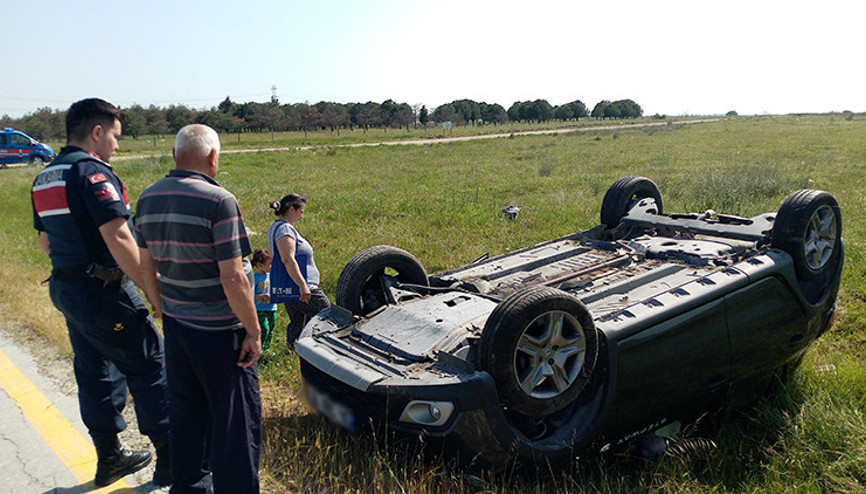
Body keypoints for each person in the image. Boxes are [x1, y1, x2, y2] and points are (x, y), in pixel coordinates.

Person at [30, 98, 171, 487]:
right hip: (103, 290)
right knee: (150, 365)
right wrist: (151, 291)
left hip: (66, 286)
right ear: (96, 132)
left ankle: (109, 457)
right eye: (114, 135)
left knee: (95, 371)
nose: (116, 145)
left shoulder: (45, 176)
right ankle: (172, 456)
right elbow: (120, 238)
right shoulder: (92, 173)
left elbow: (45, 242)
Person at [134, 123, 262, 494]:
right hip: (221, 335)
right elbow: (234, 278)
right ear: (213, 157)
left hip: (177, 327)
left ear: (175, 156)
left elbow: (146, 266)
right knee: (236, 426)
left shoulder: (148, 197)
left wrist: (159, 305)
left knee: (187, 415)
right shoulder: (219, 201)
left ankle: (189, 486)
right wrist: (252, 332)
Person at [267, 193, 331, 349]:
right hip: (303, 286)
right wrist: (303, 285)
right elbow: (287, 259)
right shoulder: (285, 230)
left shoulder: (275, 227)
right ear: (291, 209)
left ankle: (295, 352)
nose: (302, 216)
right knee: (331, 317)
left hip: (290, 284)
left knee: (299, 321)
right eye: (301, 211)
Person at [251, 248, 277, 352]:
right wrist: (260, 297)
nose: (272, 266)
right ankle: (259, 349)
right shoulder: (254, 277)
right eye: (269, 264)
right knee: (264, 329)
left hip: (272, 308)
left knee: (271, 328)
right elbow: (249, 293)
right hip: (260, 309)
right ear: (259, 265)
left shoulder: (272, 276)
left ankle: (267, 349)